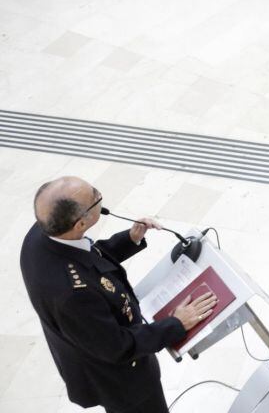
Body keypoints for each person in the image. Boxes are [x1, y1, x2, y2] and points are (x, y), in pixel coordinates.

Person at [20, 176, 218, 413]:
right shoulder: (72, 295)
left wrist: (130, 239)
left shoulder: (44, 232)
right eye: (94, 198)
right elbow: (117, 347)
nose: (99, 196)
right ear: (80, 224)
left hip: (90, 342)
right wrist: (176, 323)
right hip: (122, 382)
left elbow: (87, 259)